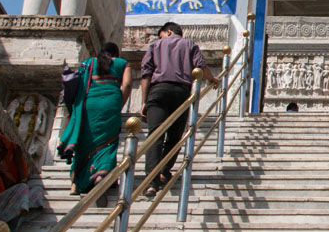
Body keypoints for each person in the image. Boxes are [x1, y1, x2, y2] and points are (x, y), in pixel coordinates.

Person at [140, 22, 217, 198]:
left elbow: (146, 73)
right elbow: (201, 66)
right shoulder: (189, 44)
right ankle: (164, 170)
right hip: (181, 93)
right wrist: (212, 79)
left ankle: (151, 183)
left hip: (158, 91)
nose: (161, 38)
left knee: (155, 136)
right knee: (175, 137)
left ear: (168, 31)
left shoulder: (155, 45)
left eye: (161, 34)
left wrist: (144, 101)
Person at [57, 42, 132, 199]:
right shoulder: (122, 63)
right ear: (116, 53)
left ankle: (75, 184)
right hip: (111, 102)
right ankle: (100, 175)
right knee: (108, 142)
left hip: (89, 104)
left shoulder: (88, 63)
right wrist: (119, 103)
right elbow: (127, 84)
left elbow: (78, 84)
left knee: (84, 142)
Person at [0, 134, 45, 232]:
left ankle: (12, 219)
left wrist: (18, 160)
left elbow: (22, 181)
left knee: (37, 191)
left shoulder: (4, 173)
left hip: (1, 208)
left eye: (3, 149)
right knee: (22, 188)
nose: (0, 151)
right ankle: (8, 221)